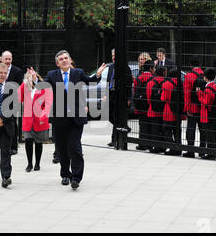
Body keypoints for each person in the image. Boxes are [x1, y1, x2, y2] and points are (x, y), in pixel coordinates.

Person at [45, 50, 107, 190]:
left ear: (70, 60)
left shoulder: (77, 73)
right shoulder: (52, 75)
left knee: (75, 146)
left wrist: (98, 74)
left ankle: (76, 178)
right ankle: (65, 174)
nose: (64, 60)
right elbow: (44, 86)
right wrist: (34, 80)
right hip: (59, 118)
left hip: (76, 117)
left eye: (66, 58)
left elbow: (90, 82)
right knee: (62, 148)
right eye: (61, 59)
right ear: (57, 63)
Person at [18, 67, 52, 172]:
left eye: (33, 77)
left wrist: (44, 115)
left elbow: (48, 103)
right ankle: (29, 164)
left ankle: (37, 163)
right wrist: (25, 82)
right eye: (28, 78)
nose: (30, 79)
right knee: (28, 141)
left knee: (38, 142)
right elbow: (18, 98)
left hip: (40, 119)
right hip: (28, 120)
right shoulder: (25, 88)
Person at [104, 48, 132, 147]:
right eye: (112, 56)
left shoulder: (126, 68)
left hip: (120, 96)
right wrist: (105, 95)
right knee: (109, 116)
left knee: (116, 117)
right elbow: (108, 82)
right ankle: (124, 127)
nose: (114, 58)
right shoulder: (111, 67)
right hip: (111, 94)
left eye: (115, 56)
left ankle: (114, 139)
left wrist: (129, 98)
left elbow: (129, 84)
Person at [183, 57, 206, 158]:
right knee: (203, 129)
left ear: (190, 65)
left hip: (192, 106)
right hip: (202, 106)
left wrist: (187, 108)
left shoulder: (189, 76)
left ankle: (191, 150)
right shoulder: (204, 74)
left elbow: (187, 94)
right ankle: (202, 150)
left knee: (191, 128)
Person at [2, 50, 24, 156]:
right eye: (5, 59)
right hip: (0, 101)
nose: (7, 61)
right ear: (2, 59)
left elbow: (20, 87)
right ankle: (3, 145)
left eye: (9, 59)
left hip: (12, 102)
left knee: (12, 124)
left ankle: (14, 147)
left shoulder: (17, 71)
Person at [196, 68, 216, 160]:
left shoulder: (208, 88)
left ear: (205, 77)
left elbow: (205, 102)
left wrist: (199, 94)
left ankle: (211, 153)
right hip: (212, 114)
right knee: (213, 133)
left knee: (209, 134)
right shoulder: (214, 86)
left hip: (207, 114)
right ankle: (214, 151)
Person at [133, 60, 155, 150]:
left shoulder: (138, 78)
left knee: (142, 124)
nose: (154, 69)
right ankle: (150, 144)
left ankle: (142, 144)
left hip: (140, 104)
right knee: (150, 124)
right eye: (153, 68)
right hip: (149, 104)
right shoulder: (152, 78)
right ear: (150, 68)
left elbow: (134, 90)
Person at [161, 69, 183, 155]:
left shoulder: (166, 84)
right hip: (178, 111)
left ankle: (172, 147)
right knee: (177, 130)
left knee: (167, 129)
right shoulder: (181, 83)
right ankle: (179, 147)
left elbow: (163, 98)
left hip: (168, 110)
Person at [146, 66, 167, 153]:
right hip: (164, 110)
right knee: (163, 129)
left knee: (154, 129)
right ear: (163, 72)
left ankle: (156, 146)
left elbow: (148, 98)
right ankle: (164, 146)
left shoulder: (150, 82)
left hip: (153, 109)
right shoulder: (166, 82)